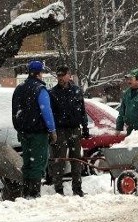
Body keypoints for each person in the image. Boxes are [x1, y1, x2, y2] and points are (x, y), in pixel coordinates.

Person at [12, 60, 57, 199]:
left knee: (28, 162)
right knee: (38, 162)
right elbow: (46, 111)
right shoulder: (40, 89)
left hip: (24, 132)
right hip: (38, 132)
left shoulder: (19, 88)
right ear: (40, 73)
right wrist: (52, 130)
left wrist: (19, 128)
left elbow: (15, 111)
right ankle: (34, 193)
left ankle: (25, 191)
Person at [48, 66, 90, 197]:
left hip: (74, 128)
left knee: (76, 159)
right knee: (59, 159)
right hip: (60, 130)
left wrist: (85, 127)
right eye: (59, 75)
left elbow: (82, 110)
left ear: (69, 75)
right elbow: (50, 113)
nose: (60, 78)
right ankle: (58, 189)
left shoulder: (76, 91)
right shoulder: (53, 93)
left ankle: (77, 188)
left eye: (63, 75)